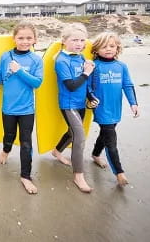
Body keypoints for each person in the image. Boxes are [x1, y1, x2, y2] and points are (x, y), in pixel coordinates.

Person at [0, 23, 43, 194]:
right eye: (20, 38)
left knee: (26, 142)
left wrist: (19, 71)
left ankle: (25, 176)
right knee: (9, 135)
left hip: (27, 109)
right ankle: (6, 150)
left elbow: (37, 83)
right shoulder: (6, 56)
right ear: (14, 39)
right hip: (8, 108)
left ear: (35, 39)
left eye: (29, 38)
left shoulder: (36, 60)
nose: (24, 41)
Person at [88, 32, 139, 186]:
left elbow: (128, 85)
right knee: (111, 139)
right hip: (101, 108)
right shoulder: (93, 65)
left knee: (105, 133)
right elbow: (88, 86)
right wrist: (91, 98)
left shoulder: (121, 66)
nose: (108, 49)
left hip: (116, 107)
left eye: (112, 46)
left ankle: (95, 154)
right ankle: (119, 172)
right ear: (96, 49)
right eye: (104, 46)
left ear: (117, 48)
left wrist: (133, 103)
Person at [51, 23, 96, 193]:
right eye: (74, 40)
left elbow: (86, 85)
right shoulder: (61, 60)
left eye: (82, 40)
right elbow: (71, 85)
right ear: (64, 41)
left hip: (81, 104)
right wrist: (86, 72)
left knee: (72, 133)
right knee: (80, 138)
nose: (79, 44)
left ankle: (56, 151)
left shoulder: (82, 57)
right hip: (68, 104)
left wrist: (91, 97)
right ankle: (78, 176)